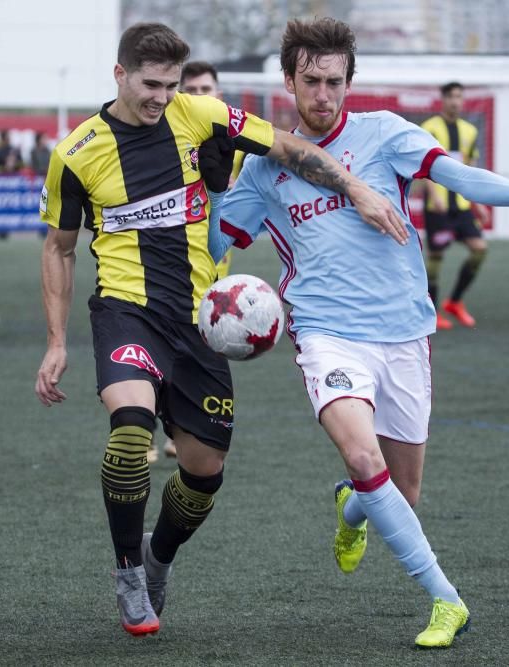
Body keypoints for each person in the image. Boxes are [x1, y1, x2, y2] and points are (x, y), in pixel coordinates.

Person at [206, 17, 509, 648]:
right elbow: (217, 242)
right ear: (289, 80)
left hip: (404, 332)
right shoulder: (266, 169)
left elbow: (454, 176)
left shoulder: (384, 133)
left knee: (398, 493)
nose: (323, 95)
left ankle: (351, 508)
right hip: (326, 333)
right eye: (310, 81)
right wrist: (213, 184)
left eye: (334, 81)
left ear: (349, 80)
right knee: (362, 453)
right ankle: (447, 602)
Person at [34, 22, 408, 637]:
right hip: (127, 311)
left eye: (171, 85)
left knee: (204, 473)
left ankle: (157, 558)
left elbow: (289, 148)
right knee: (130, 433)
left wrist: (357, 189)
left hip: (201, 322)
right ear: (120, 75)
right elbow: (59, 248)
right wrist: (55, 342)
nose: (161, 97)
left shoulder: (203, 114)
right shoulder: (77, 153)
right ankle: (128, 572)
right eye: (150, 84)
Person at [152, 60, 243, 463]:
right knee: (155, 350)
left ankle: (180, 431)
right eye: (190, 90)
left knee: (200, 360)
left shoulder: (236, 147)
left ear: (218, 96)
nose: (198, 97)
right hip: (169, 271)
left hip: (216, 272)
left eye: (206, 89)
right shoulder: (163, 141)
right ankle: (145, 434)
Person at [420, 82, 491, 330]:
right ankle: (433, 312)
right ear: (442, 99)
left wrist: (478, 203)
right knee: (436, 257)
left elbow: (470, 171)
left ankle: (455, 302)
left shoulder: (469, 131)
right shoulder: (429, 128)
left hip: (460, 206)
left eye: (459, 97)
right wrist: (434, 194)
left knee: (480, 249)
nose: (455, 101)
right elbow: (422, 166)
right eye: (451, 96)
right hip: (437, 206)